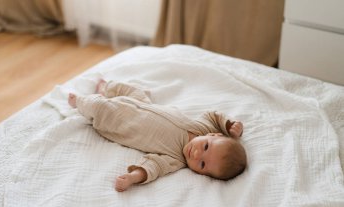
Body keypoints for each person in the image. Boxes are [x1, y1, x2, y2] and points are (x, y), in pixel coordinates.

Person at [68, 79, 247, 192]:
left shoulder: (176, 159)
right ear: (214, 134)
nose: (197, 154)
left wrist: (133, 177)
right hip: (143, 104)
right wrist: (230, 125)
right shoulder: (204, 126)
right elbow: (214, 115)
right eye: (206, 146)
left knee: (101, 107)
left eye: (202, 164)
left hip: (121, 122)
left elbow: (154, 167)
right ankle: (106, 87)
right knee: (133, 90)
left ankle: (80, 102)